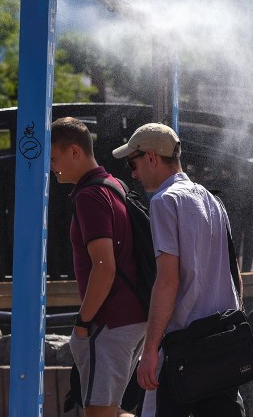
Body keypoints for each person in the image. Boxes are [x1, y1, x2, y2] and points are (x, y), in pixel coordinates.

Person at [113, 123, 244, 417]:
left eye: (133, 163)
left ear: (150, 157)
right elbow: (235, 273)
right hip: (223, 342)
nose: (133, 173)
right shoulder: (212, 200)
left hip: (183, 348)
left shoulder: (164, 201)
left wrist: (149, 351)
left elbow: (167, 281)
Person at [50, 117, 147, 417]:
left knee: (98, 413)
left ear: (75, 152)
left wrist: (82, 323)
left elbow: (104, 266)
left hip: (111, 320)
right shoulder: (113, 186)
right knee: (106, 410)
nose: (51, 166)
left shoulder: (90, 197)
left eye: (54, 158)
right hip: (134, 315)